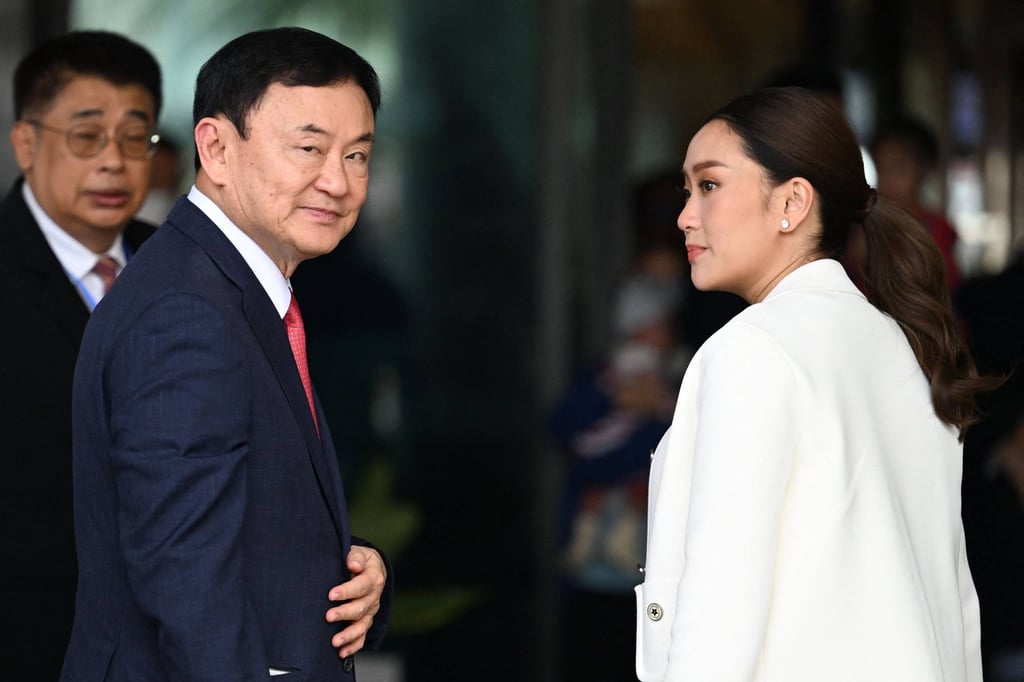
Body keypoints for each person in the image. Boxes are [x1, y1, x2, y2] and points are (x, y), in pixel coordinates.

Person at [61, 27, 392, 681]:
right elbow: (187, 580)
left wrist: (352, 563)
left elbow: (236, 518)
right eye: (309, 148)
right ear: (215, 147)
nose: (338, 181)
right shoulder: (185, 312)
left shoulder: (228, 289)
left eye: (357, 155)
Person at [635, 87, 995, 681]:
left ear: (793, 201)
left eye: (710, 185)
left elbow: (720, 615)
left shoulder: (752, 351)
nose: (684, 216)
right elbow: (952, 602)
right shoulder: (900, 347)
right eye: (686, 190)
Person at [0, 30, 161, 678]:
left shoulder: (192, 268)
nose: (114, 163)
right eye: (87, 136)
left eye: (135, 137)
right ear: (27, 144)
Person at [872, 114, 963, 290]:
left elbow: (946, 284)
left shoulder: (937, 229)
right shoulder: (865, 225)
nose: (887, 179)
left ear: (924, 169)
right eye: (881, 167)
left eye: (898, 168)